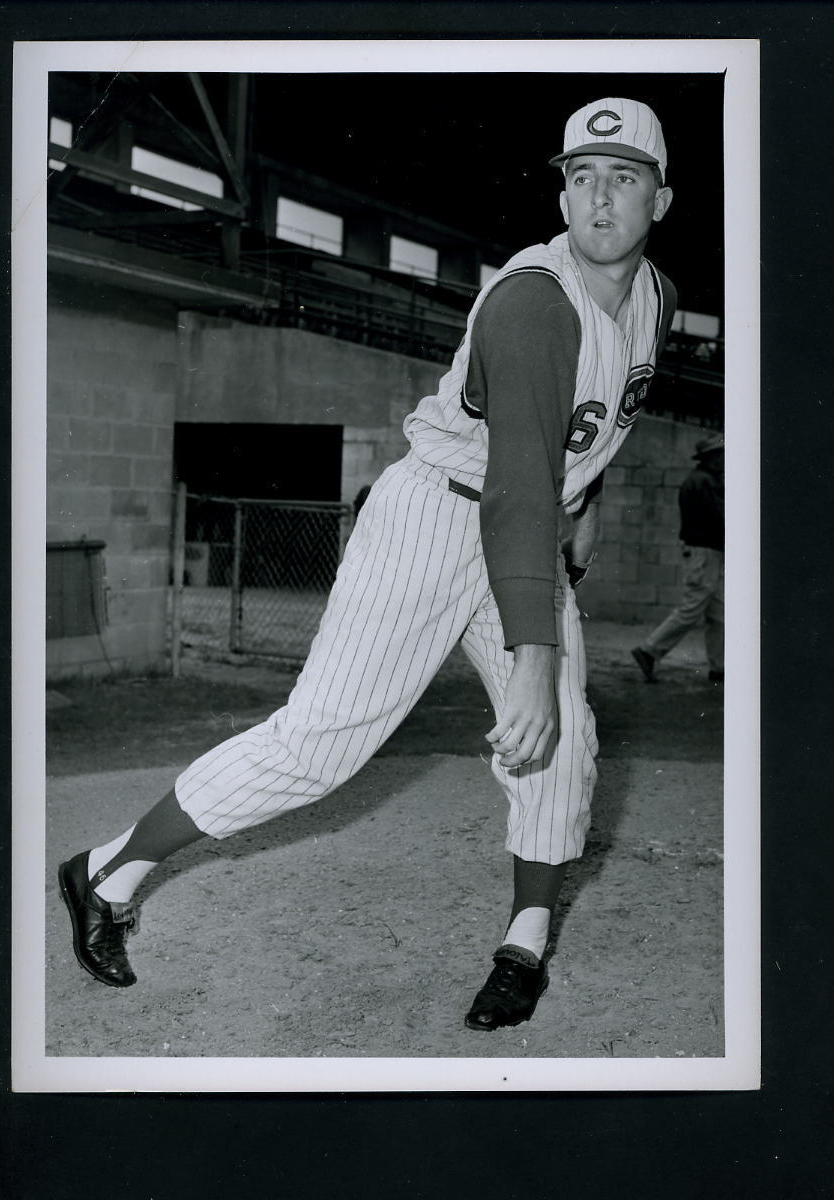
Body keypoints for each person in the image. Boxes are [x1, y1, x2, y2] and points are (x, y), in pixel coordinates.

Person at [59, 97, 677, 1033]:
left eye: (622, 179)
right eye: (579, 178)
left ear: (658, 202)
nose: (597, 200)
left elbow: (588, 427)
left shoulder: (658, 298)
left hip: (524, 527)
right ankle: (106, 872)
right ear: (562, 192)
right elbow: (514, 486)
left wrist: (582, 505)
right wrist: (536, 658)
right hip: (435, 518)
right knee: (321, 745)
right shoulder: (531, 304)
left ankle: (527, 936)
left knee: (563, 743)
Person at [631, 433, 724, 684]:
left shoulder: (701, 479)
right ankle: (649, 650)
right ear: (712, 458)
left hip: (705, 552)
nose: (725, 459)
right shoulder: (705, 481)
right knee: (693, 609)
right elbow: (720, 519)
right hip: (705, 553)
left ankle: (720, 667)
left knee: (718, 613)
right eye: (721, 455)